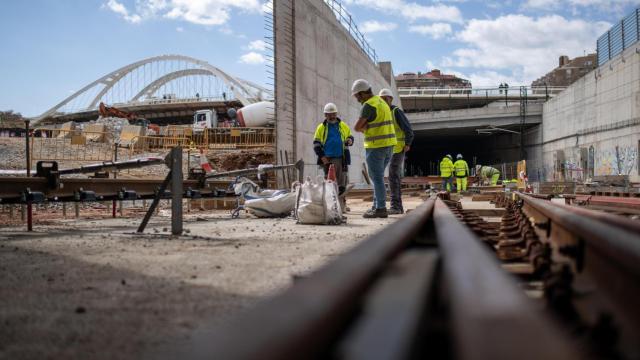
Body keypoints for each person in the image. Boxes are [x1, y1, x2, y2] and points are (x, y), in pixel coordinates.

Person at [352, 79, 396, 218]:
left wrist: (365, 128)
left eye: (357, 96)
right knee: (379, 178)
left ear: (363, 93)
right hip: (389, 145)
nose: (357, 99)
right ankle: (377, 206)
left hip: (376, 146)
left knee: (376, 179)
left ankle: (381, 209)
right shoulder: (381, 102)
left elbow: (357, 127)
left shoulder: (368, 105)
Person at [379, 88, 414, 214]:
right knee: (392, 176)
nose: (382, 101)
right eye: (380, 99)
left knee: (393, 175)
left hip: (398, 148)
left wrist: (408, 143)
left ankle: (396, 206)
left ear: (390, 99)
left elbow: (408, 129)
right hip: (388, 149)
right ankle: (397, 207)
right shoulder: (382, 114)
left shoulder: (396, 112)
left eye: (385, 99)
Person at [313, 103, 354, 207]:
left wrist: (350, 140)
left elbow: (350, 137)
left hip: (341, 158)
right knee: (329, 182)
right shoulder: (321, 128)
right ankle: (331, 205)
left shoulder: (343, 125)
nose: (332, 116)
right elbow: (316, 144)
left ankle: (341, 205)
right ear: (325, 115)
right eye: (329, 114)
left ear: (336, 113)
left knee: (341, 183)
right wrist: (322, 157)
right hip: (327, 158)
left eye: (333, 114)